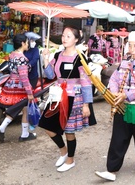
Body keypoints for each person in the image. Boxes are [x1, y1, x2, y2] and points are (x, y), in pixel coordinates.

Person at [95, 30, 135, 181]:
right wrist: (115, 93)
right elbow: (114, 79)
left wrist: (126, 95)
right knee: (118, 138)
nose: (132, 49)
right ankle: (111, 170)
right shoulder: (123, 63)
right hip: (123, 105)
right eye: (130, 45)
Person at [39, 26, 93, 172]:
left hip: (73, 98)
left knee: (69, 131)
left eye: (68, 36)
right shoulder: (57, 55)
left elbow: (86, 82)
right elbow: (50, 75)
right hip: (57, 96)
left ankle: (70, 159)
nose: (64, 38)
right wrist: (45, 58)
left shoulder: (80, 58)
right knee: (46, 125)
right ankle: (63, 151)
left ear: (76, 39)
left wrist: (86, 104)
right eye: (63, 35)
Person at [0, 34, 35, 143]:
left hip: (11, 85)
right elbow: (24, 77)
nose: (28, 44)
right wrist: (29, 92)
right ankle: (22, 134)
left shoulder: (12, 55)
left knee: (19, 108)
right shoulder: (21, 58)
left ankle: (3, 129)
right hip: (19, 87)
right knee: (24, 109)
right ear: (22, 43)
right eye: (27, 42)